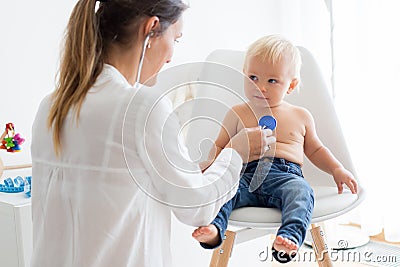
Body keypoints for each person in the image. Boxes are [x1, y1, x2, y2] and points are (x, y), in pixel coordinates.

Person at [30, 1, 276, 267]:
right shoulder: (141, 107)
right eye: (176, 39)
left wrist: (192, 171)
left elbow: (109, 186)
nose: (171, 56)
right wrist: (236, 153)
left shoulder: (51, 106)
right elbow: (197, 208)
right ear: (151, 30)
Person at [192, 34, 358, 263]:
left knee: (302, 193)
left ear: (291, 85)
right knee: (223, 192)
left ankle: (288, 239)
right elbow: (221, 146)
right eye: (253, 77)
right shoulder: (238, 113)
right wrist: (208, 166)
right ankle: (214, 229)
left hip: (286, 177)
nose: (260, 87)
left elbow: (316, 150)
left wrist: (337, 169)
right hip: (245, 175)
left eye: (272, 81)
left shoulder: (300, 116)